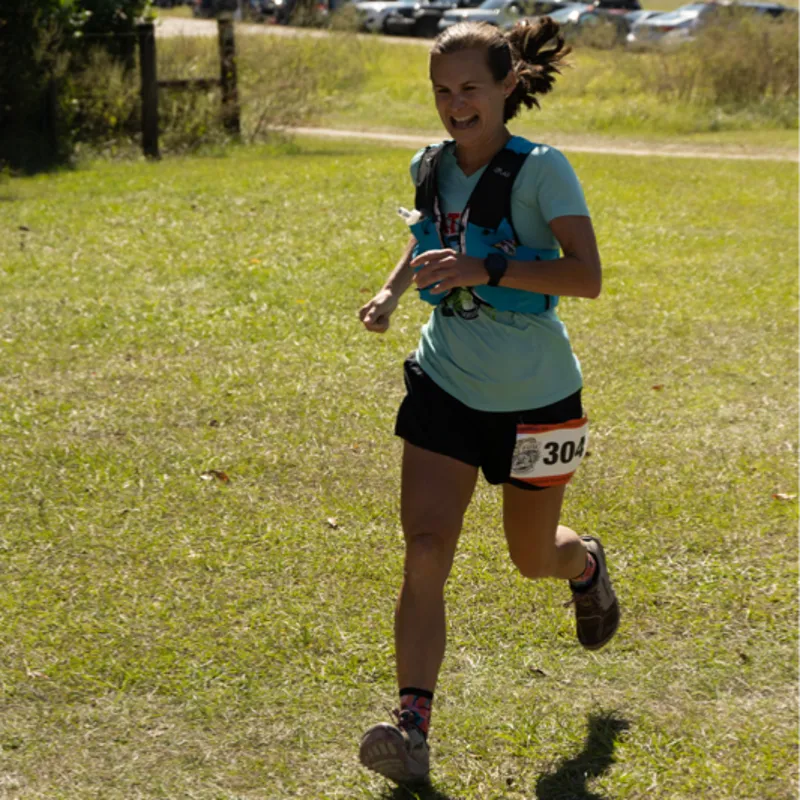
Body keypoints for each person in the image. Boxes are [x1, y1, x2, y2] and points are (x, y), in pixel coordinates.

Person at [357, 18, 620, 786]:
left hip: (540, 400)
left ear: (508, 86)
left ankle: (585, 565)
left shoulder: (543, 171)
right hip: (446, 383)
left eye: (470, 87)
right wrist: (391, 288)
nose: (454, 103)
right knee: (425, 548)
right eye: (442, 90)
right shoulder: (430, 164)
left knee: (531, 558)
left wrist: (487, 268)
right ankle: (411, 729)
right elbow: (427, 235)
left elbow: (586, 276)